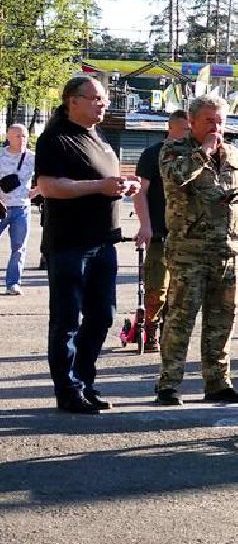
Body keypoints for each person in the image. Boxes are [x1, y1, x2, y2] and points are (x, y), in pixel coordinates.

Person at [36, 77, 136, 413]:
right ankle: (68, 391)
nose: (102, 104)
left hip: (103, 241)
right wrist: (100, 186)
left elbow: (103, 181)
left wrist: (123, 185)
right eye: (95, 98)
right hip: (70, 244)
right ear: (72, 101)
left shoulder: (97, 136)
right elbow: (49, 187)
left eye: (104, 99)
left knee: (102, 316)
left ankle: (85, 381)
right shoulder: (56, 138)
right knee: (66, 321)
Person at [154, 94, 238, 406]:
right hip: (190, 249)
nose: (217, 126)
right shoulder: (175, 150)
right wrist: (205, 152)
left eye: (221, 120)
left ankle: (218, 382)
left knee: (222, 318)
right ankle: (169, 384)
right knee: (180, 318)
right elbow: (176, 178)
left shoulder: (235, 154)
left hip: (228, 250)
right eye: (210, 121)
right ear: (193, 121)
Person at [129, 111, 189, 352]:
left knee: (181, 290)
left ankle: (171, 332)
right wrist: (145, 225)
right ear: (172, 128)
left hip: (187, 234)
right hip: (159, 233)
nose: (189, 133)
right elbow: (140, 191)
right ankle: (150, 329)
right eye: (185, 128)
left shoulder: (194, 154)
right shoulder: (153, 154)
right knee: (156, 288)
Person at [1, 124, 35, 297]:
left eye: (24, 136)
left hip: (22, 208)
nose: (21, 140)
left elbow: (45, 177)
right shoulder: (0, 155)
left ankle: (13, 283)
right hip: (1, 206)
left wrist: (36, 192)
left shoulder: (32, 157)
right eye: (17, 136)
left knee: (19, 248)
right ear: (8, 137)